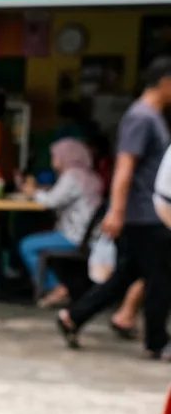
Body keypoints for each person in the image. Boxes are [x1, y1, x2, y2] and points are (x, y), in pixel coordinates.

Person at [58, 57, 171, 360]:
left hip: (146, 211)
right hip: (144, 213)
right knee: (160, 276)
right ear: (164, 81)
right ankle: (158, 342)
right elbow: (125, 165)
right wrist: (117, 210)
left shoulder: (153, 117)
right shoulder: (141, 117)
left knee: (127, 274)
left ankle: (74, 316)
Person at [18, 138, 103, 307]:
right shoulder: (89, 176)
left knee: (27, 245)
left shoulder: (72, 176)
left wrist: (32, 193)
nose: (53, 160)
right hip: (89, 235)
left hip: (73, 236)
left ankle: (56, 288)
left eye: (55, 156)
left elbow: (51, 202)